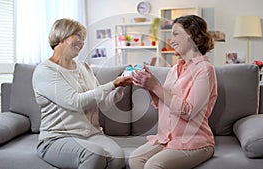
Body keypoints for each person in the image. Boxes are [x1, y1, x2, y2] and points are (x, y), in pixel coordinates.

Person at [32, 18, 132, 169]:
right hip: (58, 138)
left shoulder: (84, 67)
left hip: (91, 135)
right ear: (61, 36)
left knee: (117, 158)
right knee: (94, 154)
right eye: (78, 36)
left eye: (83, 39)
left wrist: (120, 87)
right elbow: (75, 102)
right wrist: (112, 84)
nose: (82, 42)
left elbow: (103, 103)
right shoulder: (45, 71)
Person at [129, 15, 218, 169]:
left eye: (176, 34)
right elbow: (161, 104)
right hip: (167, 139)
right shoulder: (175, 69)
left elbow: (188, 112)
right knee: (135, 159)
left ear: (192, 35)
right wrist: (149, 86)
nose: (171, 40)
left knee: (153, 165)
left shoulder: (205, 70)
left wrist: (156, 86)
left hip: (194, 141)